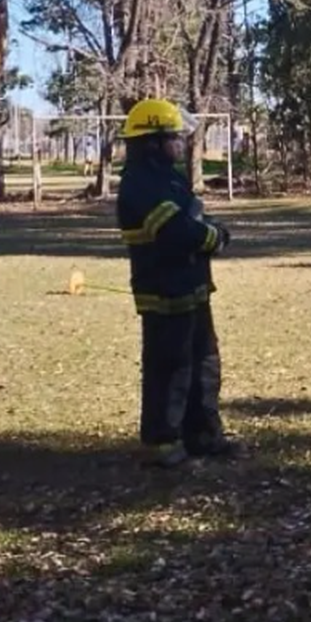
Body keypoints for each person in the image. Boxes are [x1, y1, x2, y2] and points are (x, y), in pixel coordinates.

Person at [116, 99, 240, 468]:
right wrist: (212, 237)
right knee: (171, 368)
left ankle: (202, 434)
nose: (181, 143)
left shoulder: (168, 176)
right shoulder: (140, 183)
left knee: (203, 361)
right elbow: (172, 230)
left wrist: (210, 228)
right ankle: (162, 445)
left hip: (192, 285)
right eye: (174, 137)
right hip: (164, 289)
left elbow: (190, 215)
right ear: (152, 141)